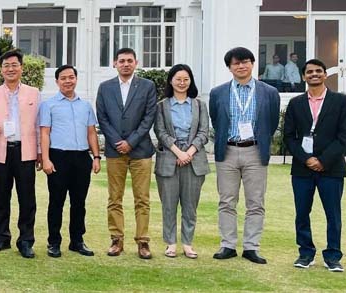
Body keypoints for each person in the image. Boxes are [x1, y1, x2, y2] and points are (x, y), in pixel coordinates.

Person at [209, 47, 280, 264]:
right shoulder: (218, 93)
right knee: (226, 201)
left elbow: (272, 122)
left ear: (252, 63)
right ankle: (228, 245)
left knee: (255, 202)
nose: (241, 66)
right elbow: (216, 120)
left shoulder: (269, 92)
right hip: (227, 151)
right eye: (236, 63)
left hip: (255, 151)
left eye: (245, 61)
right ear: (229, 67)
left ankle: (251, 247)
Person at [283, 59, 346, 272]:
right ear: (304, 76)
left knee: (333, 214)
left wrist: (323, 160)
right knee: (302, 213)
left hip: (331, 168)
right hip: (302, 169)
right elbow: (289, 136)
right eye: (310, 72)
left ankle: (333, 256)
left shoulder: (341, 101)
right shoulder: (295, 103)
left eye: (318, 71)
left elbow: (344, 136)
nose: (314, 74)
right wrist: (307, 159)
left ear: (325, 74)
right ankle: (305, 253)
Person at [95, 47, 157, 259]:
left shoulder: (147, 86)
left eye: (129, 60)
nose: (125, 64)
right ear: (115, 63)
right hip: (115, 151)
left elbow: (149, 117)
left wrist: (131, 142)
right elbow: (102, 118)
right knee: (114, 198)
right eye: (121, 61)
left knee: (142, 199)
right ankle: (116, 239)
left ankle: (143, 241)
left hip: (141, 150)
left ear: (136, 63)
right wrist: (117, 142)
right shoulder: (105, 88)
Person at [0, 50, 40, 258]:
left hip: (26, 151)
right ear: (1, 70)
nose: (10, 69)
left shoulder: (34, 93)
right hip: (1, 151)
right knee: (2, 196)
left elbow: (39, 125)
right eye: (6, 65)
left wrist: (40, 152)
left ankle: (26, 241)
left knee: (27, 198)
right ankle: (2, 237)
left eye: (14, 65)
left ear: (21, 68)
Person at [39, 65, 101, 258]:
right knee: (56, 202)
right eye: (63, 78)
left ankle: (77, 241)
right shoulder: (49, 105)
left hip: (81, 158)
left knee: (79, 203)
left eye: (71, 77)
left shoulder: (85, 106)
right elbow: (45, 133)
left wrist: (96, 157)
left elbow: (91, 132)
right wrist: (46, 159)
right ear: (57, 81)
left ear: (76, 79)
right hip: (58, 157)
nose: (68, 81)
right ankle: (53, 242)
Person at [153, 64, 209, 259]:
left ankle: (187, 243)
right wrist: (178, 152)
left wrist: (189, 152)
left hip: (194, 160)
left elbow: (203, 132)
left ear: (190, 81)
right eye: (178, 79)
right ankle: (170, 243)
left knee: (190, 206)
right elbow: (160, 132)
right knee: (169, 205)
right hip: (169, 160)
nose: (182, 83)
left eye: (186, 79)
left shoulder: (199, 105)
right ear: (171, 81)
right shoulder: (161, 106)